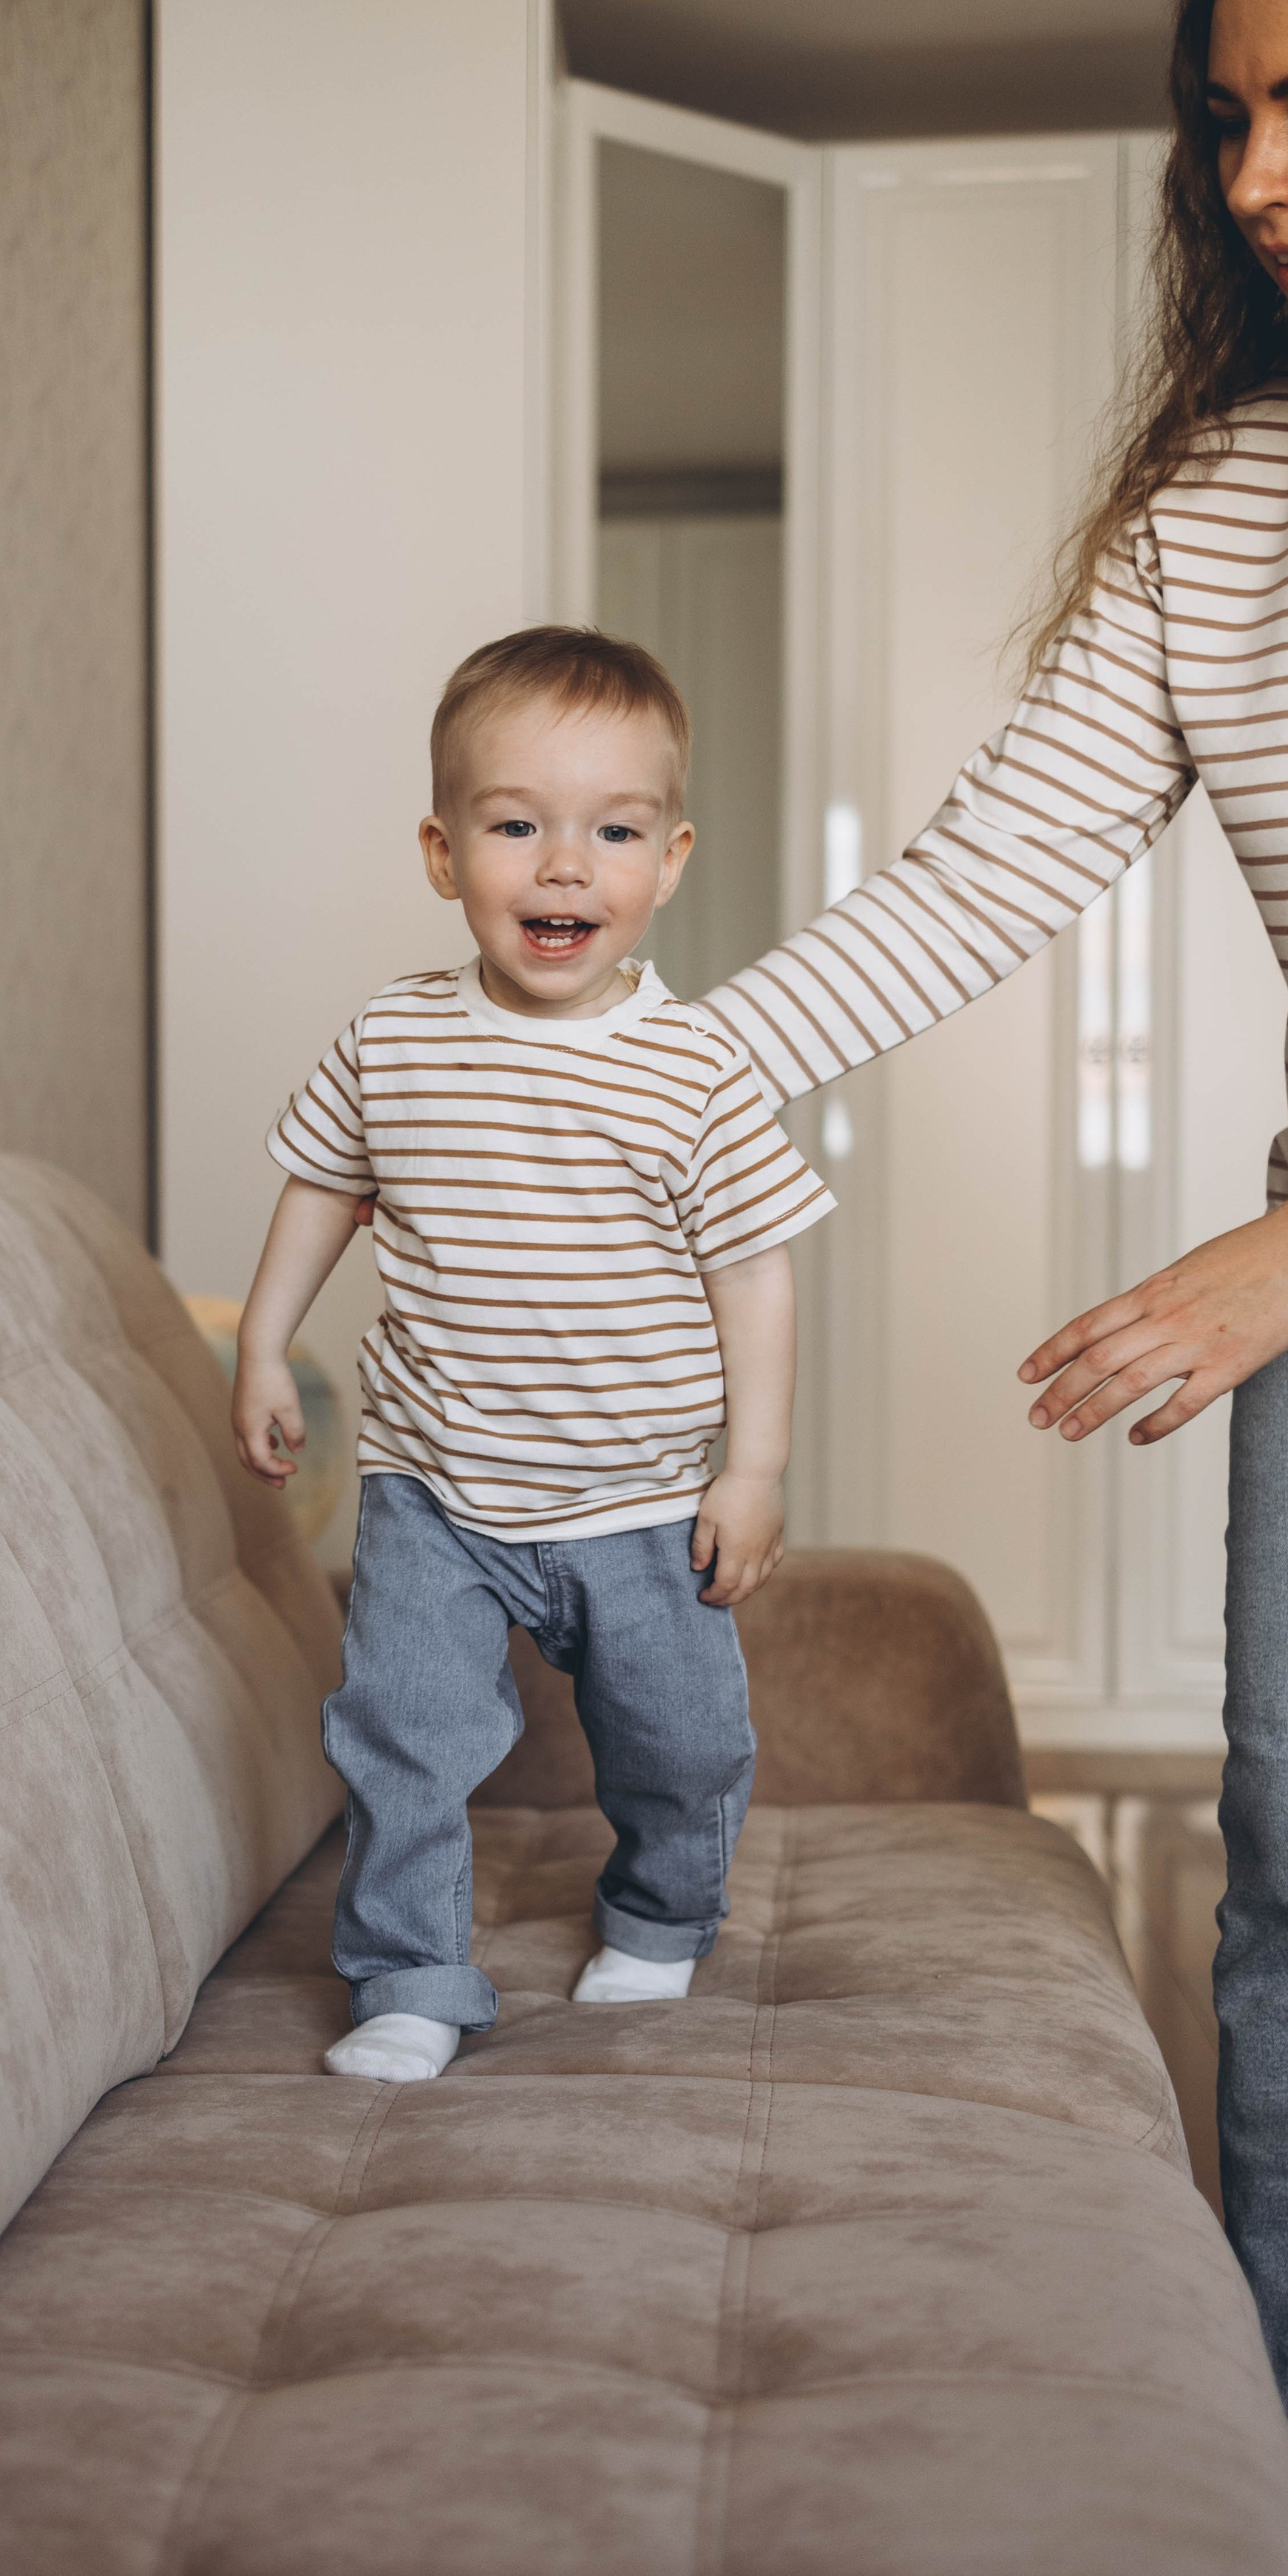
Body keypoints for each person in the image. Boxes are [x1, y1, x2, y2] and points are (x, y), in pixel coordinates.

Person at [691, 0, 1288, 2531]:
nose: (1263, 177)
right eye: (1230, 123)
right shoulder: (1233, 516)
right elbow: (968, 880)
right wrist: (642, 1096)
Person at [231, 628, 833, 2084]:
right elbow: (323, 1186)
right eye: (516, 826)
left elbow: (753, 1268)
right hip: (432, 1492)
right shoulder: (392, 1039)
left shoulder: (694, 1067)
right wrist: (261, 1342)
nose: (564, 867)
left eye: (610, 832)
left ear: (668, 858)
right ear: (444, 854)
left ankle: (660, 1906)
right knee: (402, 1739)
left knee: (680, 1745)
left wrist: (749, 1469)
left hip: (633, 1497)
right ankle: (411, 1976)